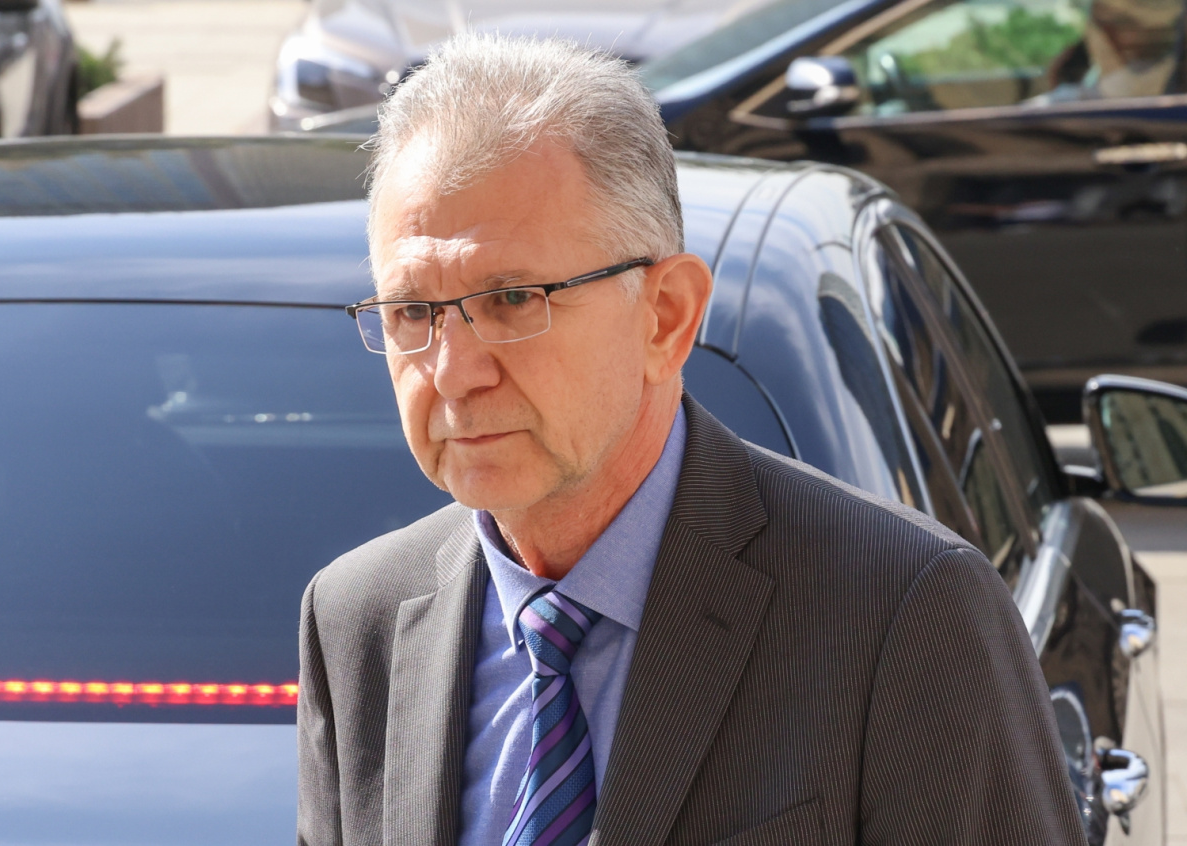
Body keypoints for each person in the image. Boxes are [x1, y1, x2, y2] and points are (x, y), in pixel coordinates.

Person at [297, 33, 1087, 846]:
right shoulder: (358, 620)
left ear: (666, 317)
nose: (454, 372)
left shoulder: (900, 613)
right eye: (413, 312)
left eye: (513, 300)